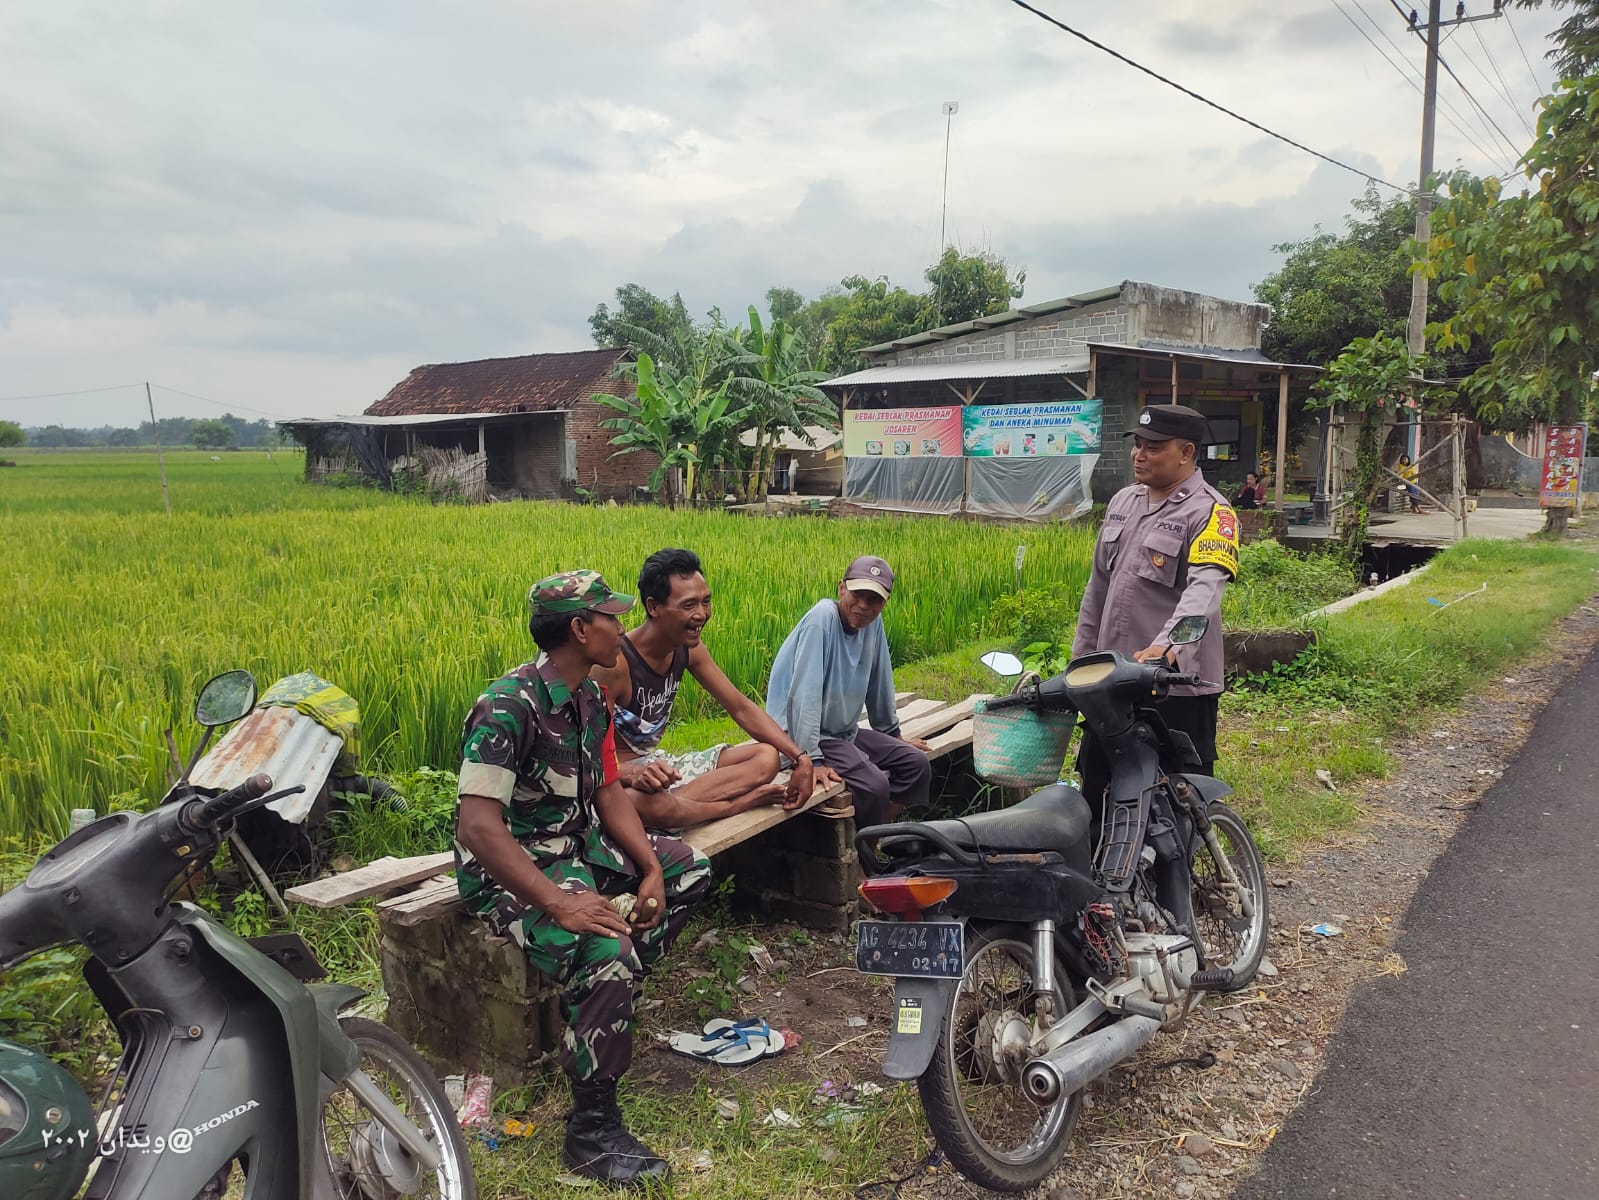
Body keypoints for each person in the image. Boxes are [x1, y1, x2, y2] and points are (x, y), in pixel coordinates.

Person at [453, 570, 711, 1188]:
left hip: (575, 845)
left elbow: (608, 787)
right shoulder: (508, 705)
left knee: (688, 868)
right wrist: (558, 905)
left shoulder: (590, 698)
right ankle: (591, 1130)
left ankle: (602, 1014)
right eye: (611, 619)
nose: (622, 630)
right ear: (578, 628)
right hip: (514, 868)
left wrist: (649, 867)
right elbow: (478, 828)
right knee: (606, 946)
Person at [1072, 404, 1240, 810]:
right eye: (1138, 445)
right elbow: (1098, 589)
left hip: (1172, 685)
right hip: (1111, 679)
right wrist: (1080, 660)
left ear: (1186, 452)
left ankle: (1182, 871)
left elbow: (1205, 591)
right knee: (1097, 784)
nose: (1139, 455)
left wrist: (1168, 646)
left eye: (1153, 447)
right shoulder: (1123, 502)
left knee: (1177, 796)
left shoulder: (1212, 513)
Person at [590, 547, 819, 828]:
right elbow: (590, 761)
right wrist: (634, 774)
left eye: (706, 601)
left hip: (661, 768)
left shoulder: (688, 649)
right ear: (653, 607)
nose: (702, 614)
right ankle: (726, 805)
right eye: (688, 605)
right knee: (639, 802)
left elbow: (740, 707)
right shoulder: (616, 664)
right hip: (623, 777)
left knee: (766, 756)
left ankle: (674, 810)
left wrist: (800, 758)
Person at [765, 556, 931, 827]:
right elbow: (804, 695)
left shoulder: (872, 624)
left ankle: (872, 835)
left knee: (916, 763)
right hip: (799, 737)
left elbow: (880, 680)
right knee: (875, 784)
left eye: (874, 599)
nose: (863, 606)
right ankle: (866, 863)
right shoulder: (822, 620)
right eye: (857, 594)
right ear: (841, 588)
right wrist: (811, 759)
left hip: (841, 733)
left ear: (884, 603)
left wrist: (893, 734)